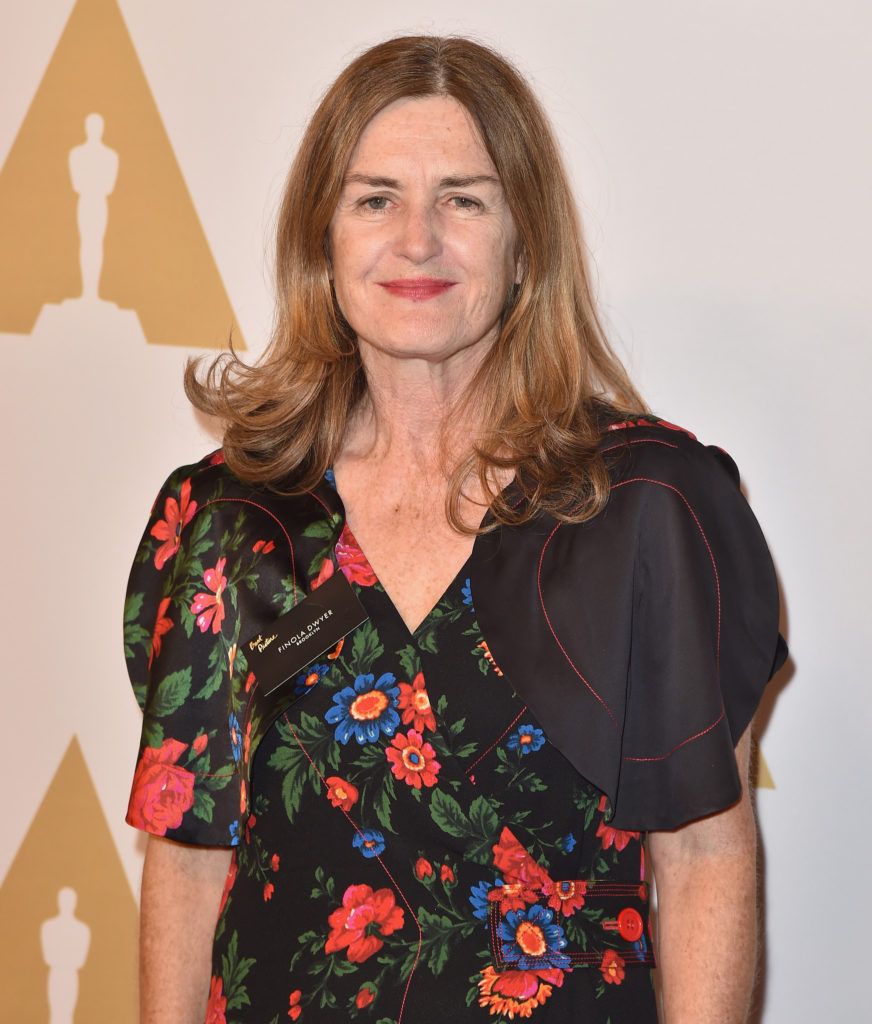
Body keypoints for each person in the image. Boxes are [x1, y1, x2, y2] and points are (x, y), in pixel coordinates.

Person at [122, 35, 788, 1024]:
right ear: (323, 240)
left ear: (524, 243)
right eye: (374, 198)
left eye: (463, 200)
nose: (417, 240)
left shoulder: (648, 506)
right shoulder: (227, 519)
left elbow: (703, 858)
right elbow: (187, 868)